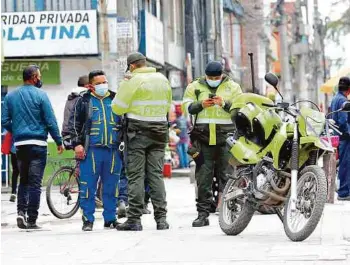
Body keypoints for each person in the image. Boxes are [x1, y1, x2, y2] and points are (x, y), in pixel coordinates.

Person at [112, 52, 171, 231]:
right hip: (160, 130)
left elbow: (117, 107)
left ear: (131, 66)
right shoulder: (162, 79)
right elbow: (167, 104)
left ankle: (134, 220)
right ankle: (161, 220)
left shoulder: (132, 81)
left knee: (136, 175)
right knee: (156, 175)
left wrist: (125, 85)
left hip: (138, 131)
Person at [1, 65, 63, 229]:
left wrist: (17, 131)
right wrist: (58, 141)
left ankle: (20, 213)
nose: (40, 79)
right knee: (35, 184)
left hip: (20, 145)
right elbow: (50, 121)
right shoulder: (42, 95)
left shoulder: (10, 96)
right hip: (38, 144)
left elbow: (4, 120)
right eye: (39, 76)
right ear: (34, 77)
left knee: (24, 181)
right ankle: (32, 219)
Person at [182, 61, 242, 227]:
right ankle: (202, 214)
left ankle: (232, 212)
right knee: (203, 176)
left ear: (222, 75)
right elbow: (186, 106)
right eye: (210, 77)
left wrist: (223, 103)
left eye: (216, 77)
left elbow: (240, 108)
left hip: (226, 138)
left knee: (229, 176)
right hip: (203, 138)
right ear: (205, 75)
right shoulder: (195, 87)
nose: (213, 80)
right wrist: (200, 105)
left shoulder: (233, 87)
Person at [68, 70, 123, 231]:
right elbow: (73, 125)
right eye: (99, 83)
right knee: (88, 187)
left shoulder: (115, 99)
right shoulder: (83, 101)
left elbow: (124, 122)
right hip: (91, 151)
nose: (103, 86)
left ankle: (110, 219)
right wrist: (76, 144)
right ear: (91, 85)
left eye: (104, 82)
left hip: (113, 151)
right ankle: (88, 220)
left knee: (112, 187)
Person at [330, 76, 350, 201]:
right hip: (344, 137)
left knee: (343, 163)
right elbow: (343, 121)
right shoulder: (343, 100)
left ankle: (344, 190)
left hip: (337, 136)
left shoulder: (335, 98)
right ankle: (344, 192)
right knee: (345, 164)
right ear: (348, 89)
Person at [61, 75, 89, 149]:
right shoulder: (82, 98)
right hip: (79, 137)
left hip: (69, 135)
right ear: (87, 86)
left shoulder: (71, 97)